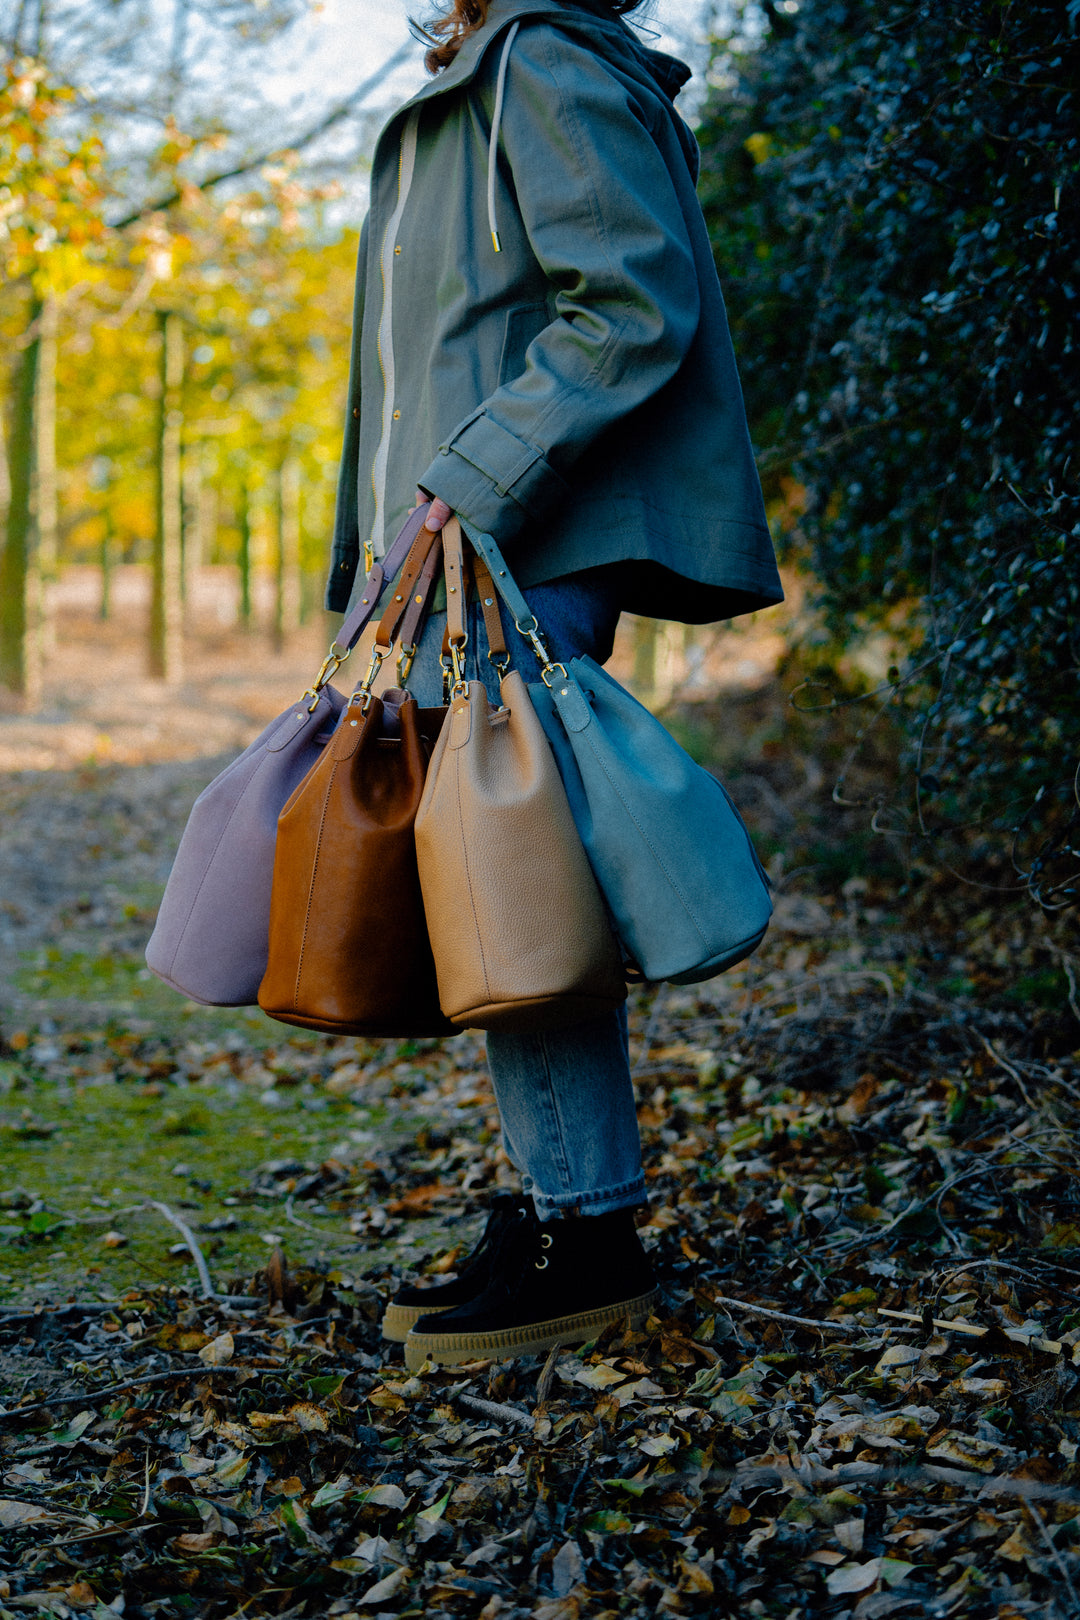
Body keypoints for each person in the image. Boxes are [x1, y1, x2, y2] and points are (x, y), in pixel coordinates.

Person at [326, 0, 783, 1367]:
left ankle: (589, 1232)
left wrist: (467, 482)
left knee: (517, 874)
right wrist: (379, 545)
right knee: (498, 880)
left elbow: (631, 301)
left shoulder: (548, 59)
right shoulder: (481, 68)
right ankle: (552, 1203)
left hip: (520, 536)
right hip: (454, 540)